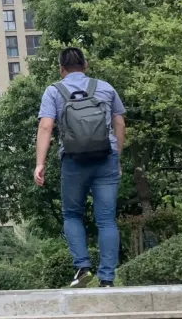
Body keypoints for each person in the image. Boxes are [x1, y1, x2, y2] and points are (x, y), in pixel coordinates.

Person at [34, 47, 127, 287]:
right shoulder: (105, 88)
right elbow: (119, 123)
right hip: (106, 158)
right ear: (85, 65)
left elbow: (45, 127)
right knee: (106, 219)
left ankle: (82, 267)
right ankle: (107, 278)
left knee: (72, 214)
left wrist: (40, 163)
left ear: (61, 69)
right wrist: (116, 157)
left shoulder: (54, 91)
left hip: (74, 161)